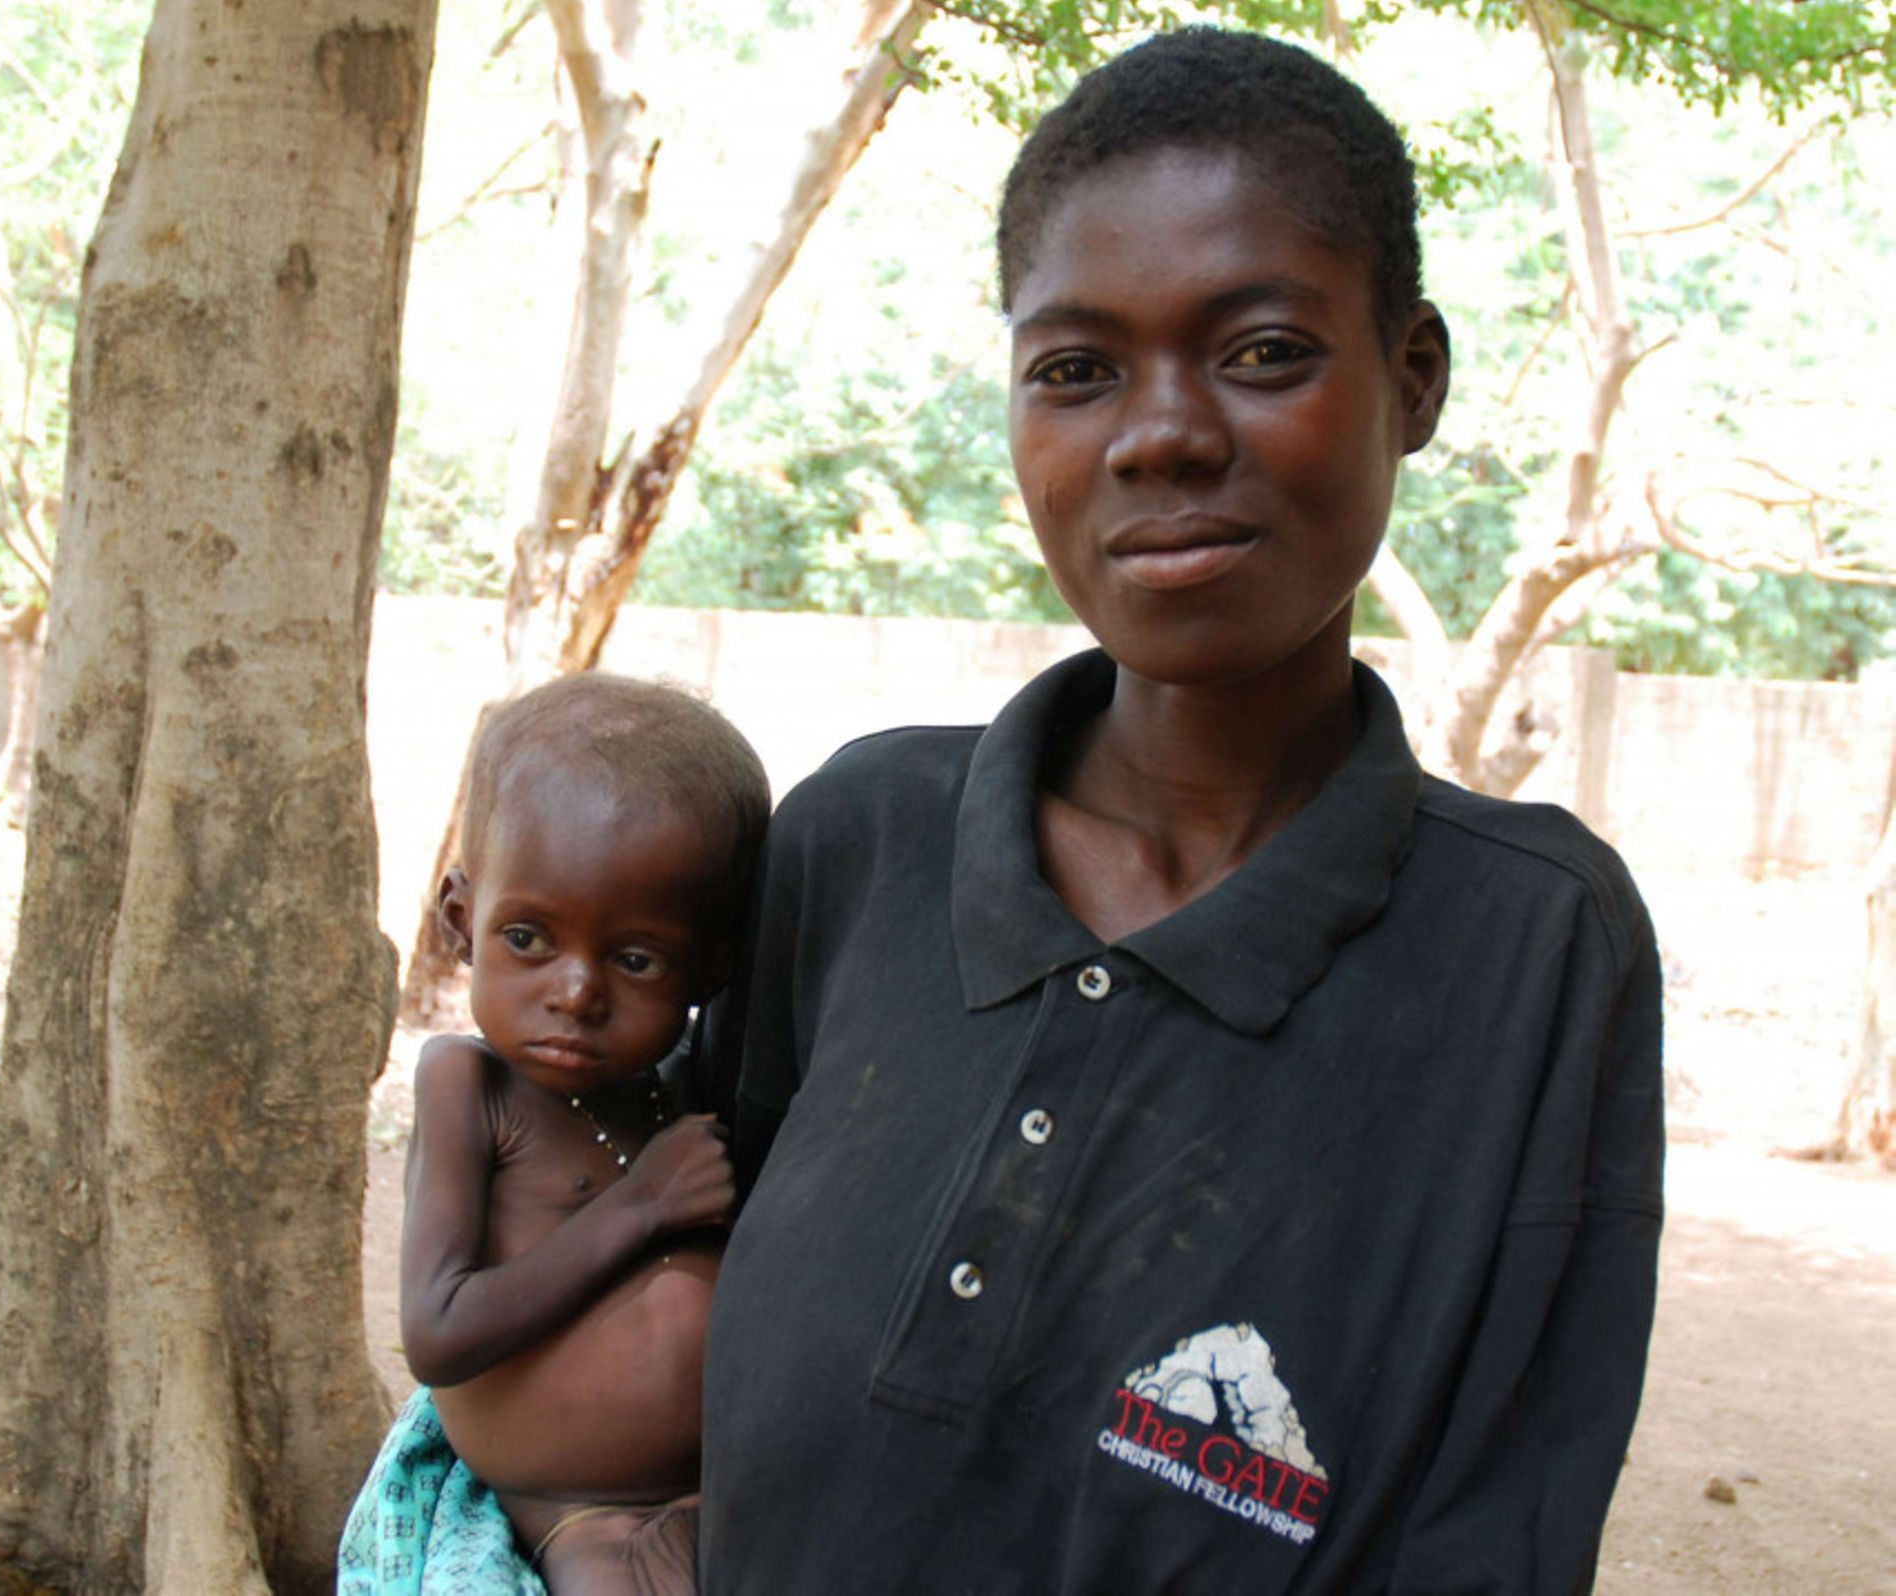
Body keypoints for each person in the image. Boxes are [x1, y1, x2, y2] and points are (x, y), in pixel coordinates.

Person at [698, 28, 1662, 1594]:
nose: (1160, 435)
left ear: (1413, 377)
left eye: (1263, 351)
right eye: (1075, 371)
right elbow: (656, 1287)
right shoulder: (862, 839)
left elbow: (1502, 1523)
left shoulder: (1532, 945)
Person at [389, 674, 767, 1594]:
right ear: (460, 922)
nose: (576, 992)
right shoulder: (471, 1087)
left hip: (730, 1485)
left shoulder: (688, 1083)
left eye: (636, 960)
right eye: (527, 938)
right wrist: (641, 1207)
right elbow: (438, 1331)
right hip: (583, 1515)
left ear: (709, 968)